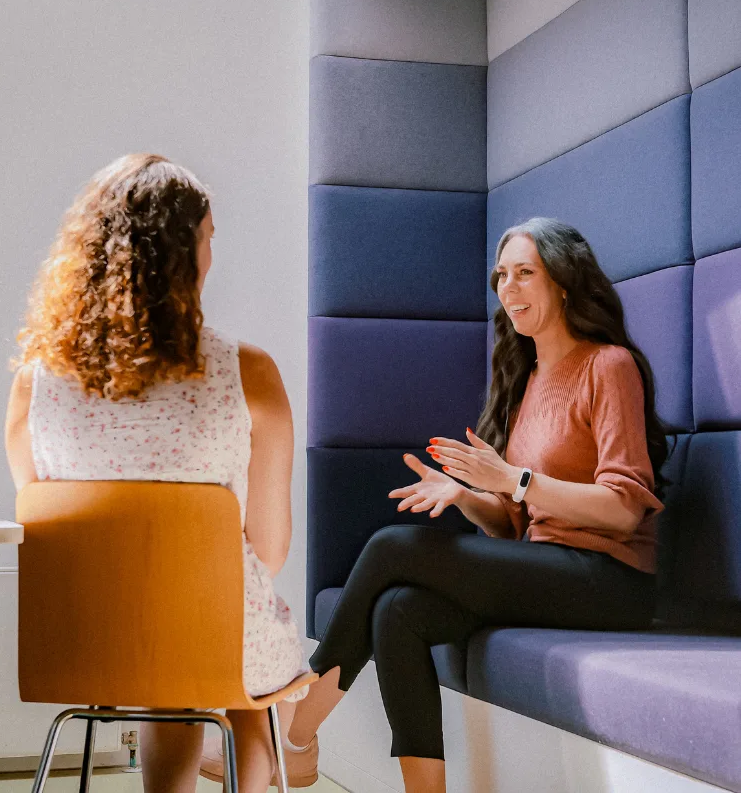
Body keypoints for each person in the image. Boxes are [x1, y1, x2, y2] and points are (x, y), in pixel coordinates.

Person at [213, 217, 669, 793]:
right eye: (502, 276)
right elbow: (514, 528)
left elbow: (624, 509)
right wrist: (471, 496)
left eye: (526, 273)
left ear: (564, 283)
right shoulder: (526, 380)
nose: (509, 288)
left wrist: (514, 478)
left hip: (611, 581)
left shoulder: (609, 365)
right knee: (397, 612)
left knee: (391, 546)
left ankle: (294, 729)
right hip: (550, 567)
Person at [4, 153, 308, 793]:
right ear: (185, 255)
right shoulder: (247, 373)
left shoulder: (34, 386)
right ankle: (255, 772)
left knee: (167, 624)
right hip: (210, 637)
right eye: (207, 240)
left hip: (84, 638)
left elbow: (57, 532)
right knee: (226, 648)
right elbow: (270, 551)